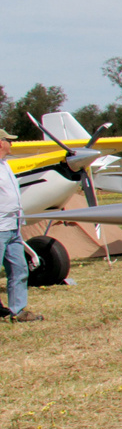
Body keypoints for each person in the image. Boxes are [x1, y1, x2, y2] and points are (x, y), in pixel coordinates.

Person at [0, 129, 43, 324]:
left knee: (19, 269)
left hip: (13, 227)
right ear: (1, 143)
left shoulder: (6, 165)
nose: (12, 144)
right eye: (9, 141)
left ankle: (18, 311)